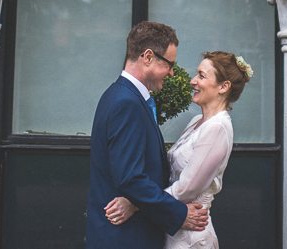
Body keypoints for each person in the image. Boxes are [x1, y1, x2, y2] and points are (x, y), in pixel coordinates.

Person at [105, 50, 253, 249]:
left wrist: (135, 204)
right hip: (174, 226)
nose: (193, 81)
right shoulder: (196, 122)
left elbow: (187, 188)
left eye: (201, 76)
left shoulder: (217, 128)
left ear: (223, 87)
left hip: (191, 236)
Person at [86, 21, 209, 249]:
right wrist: (180, 213)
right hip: (125, 238)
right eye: (169, 64)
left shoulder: (119, 94)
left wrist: (135, 203)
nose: (172, 72)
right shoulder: (127, 103)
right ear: (148, 57)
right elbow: (131, 178)